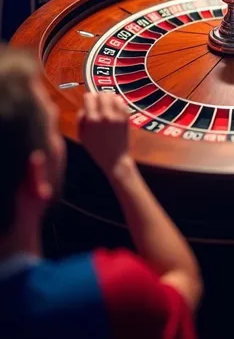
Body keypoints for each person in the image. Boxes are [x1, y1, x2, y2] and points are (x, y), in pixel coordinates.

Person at [0, 47, 201, 338]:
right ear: (37, 176)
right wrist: (120, 165)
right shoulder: (106, 293)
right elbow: (183, 282)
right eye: (53, 127)